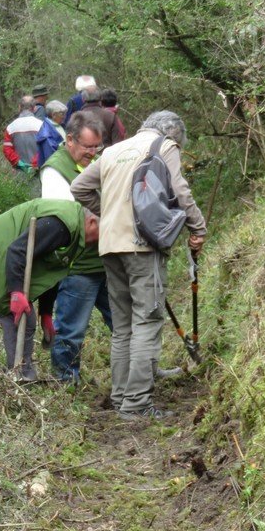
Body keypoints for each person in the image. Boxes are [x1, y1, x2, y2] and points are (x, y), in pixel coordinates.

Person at [71, 111, 207, 420]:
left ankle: (121, 397)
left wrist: (109, 214)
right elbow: (180, 190)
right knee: (147, 321)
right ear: (171, 134)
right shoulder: (163, 146)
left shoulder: (114, 150)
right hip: (141, 246)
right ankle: (136, 404)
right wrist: (198, 228)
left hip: (109, 246)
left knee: (123, 327)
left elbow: (79, 187)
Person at [0, 199, 101, 381]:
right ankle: (19, 377)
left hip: (10, 252)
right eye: (105, 234)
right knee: (19, 316)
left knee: (27, 318)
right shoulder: (62, 224)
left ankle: (21, 373)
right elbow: (17, 250)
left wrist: (45, 312)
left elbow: (51, 270)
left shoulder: (75, 230)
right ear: (92, 222)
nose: (103, 242)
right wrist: (16, 292)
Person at [40, 113, 113, 381]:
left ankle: (140, 372)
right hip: (78, 266)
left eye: (97, 147)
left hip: (105, 259)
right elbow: (66, 221)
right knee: (71, 330)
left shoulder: (94, 163)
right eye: (87, 147)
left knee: (123, 321)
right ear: (70, 140)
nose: (93, 153)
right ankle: (66, 382)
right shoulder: (54, 171)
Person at [2, 95, 43, 174]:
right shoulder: (42, 125)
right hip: (39, 170)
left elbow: (7, 149)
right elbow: (45, 147)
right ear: (34, 108)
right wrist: (35, 163)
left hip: (19, 172)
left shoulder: (11, 127)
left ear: (19, 107)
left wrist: (18, 163)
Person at [36, 100, 67, 167]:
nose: (64, 116)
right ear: (53, 115)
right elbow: (51, 157)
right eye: (62, 114)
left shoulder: (60, 125)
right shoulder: (46, 133)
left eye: (65, 113)